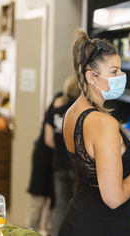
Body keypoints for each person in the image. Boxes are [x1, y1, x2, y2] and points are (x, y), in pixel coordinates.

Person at [59, 29, 130, 236]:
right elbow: (113, 197)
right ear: (91, 76)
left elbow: (117, 155)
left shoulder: (72, 112)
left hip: (79, 220)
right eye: (114, 71)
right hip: (103, 227)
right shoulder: (103, 123)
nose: (122, 76)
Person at [44, 75, 80, 236]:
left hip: (58, 164)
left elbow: (48, 140)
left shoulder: (55, 112)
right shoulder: (79, 112)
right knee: (78, 205)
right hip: (77, 165)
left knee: (59, 204)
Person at [26, 94, 58, 233]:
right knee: (37, 202)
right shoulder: (53, 113)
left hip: (56, 163)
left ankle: (45, 230)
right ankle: (29, 232)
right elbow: (49, 140)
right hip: (43, 160)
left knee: (53, 203)